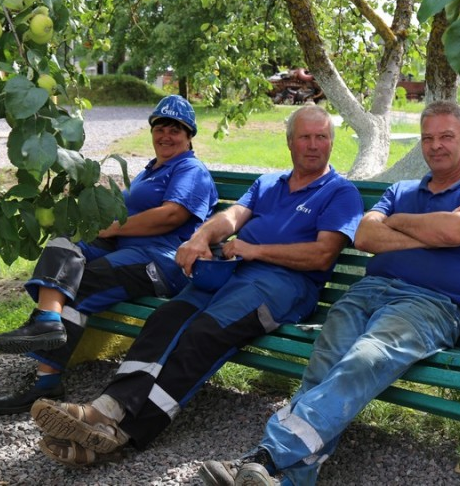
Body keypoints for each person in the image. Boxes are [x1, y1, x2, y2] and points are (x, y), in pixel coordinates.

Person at [28, 105, 365, 468]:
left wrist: (255, 250)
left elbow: (322, 255)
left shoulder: (339, 192)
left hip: (282, 285)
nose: (313, 145)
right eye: (305, 137)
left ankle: (122, 433)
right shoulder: (269, 184)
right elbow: (231, 217)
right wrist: (201, 237)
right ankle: (108, 408)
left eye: (321, 137)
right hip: (230, 272)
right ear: (289, 142)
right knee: (165, 319)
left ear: (331, 143)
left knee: (203, 335)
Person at [199, 100, 460, 486]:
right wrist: (430, 232)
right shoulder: (400, 190)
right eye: (428, 138)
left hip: (429, 305)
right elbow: (364, 236)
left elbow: (455, 231)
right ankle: (289, 479)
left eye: (446, 136)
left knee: (364, 359)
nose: (436, 146)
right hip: (367, 293)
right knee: (325, 363)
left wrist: (399, 224)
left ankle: (266, 456)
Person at [0, 95, 219, 415]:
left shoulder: (190, 169)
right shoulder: (152, 170)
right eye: (160, 128)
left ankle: (47, 380)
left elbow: (172, 215)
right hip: (128, 251)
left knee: (84, 282)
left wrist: (114, 229)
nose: (166, 136)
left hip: (162, 261)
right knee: (65, 245)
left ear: (189, 136)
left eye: (175, 130)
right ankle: (48, 320)